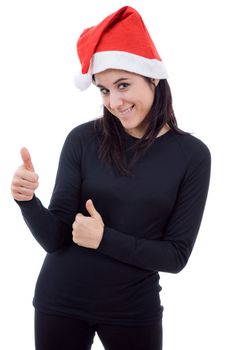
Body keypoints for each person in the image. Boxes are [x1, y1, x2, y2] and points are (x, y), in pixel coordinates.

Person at [11, 6, 211, 350]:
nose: (114, 102)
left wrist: (104, 238)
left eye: (123, 85)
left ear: (153, 78)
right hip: (60, 302)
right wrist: (27, 201)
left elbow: (176, 256)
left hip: (133, 310)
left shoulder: (191, 155)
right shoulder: (82, 139)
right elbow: (56, 238)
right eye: (103, 90)